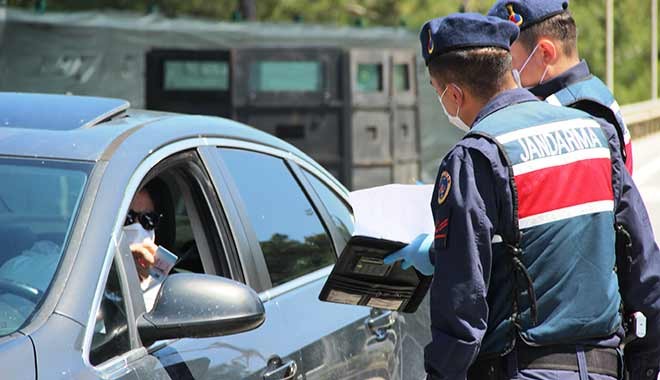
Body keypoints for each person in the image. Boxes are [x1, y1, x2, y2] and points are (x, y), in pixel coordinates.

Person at [384, 13, 660, 380]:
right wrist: (643, 364)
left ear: (453, 94)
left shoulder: (474, 157)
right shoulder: (595, 135)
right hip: (604, 368)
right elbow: (644, 269)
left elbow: (463, 308)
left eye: (437, 91)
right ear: (509, 69)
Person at [487, 0, 633, 174]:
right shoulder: (592, 91)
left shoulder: (578, 114)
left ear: (545, 53)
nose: (508, 72)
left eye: (511, 61)